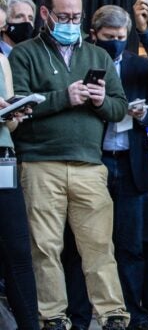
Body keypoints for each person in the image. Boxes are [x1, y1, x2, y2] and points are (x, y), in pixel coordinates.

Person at [9, 0, 130, 330]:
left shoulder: (98, 56)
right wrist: (66, 97)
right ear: (45, 14)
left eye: (76, 16)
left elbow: (119, 107)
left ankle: (113, 316)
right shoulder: (25, 54)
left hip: (90, 166)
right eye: (63, 16)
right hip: (39, 162)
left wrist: (99, 100)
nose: (70, 22)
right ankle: (53, 317)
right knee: (44, 248)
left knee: (99, 246)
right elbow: (17, 104)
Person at [63, 5, 148, 330]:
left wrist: (143, 115)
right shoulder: (81, 61)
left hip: (130, 162)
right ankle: (79, 317)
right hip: (93, 160)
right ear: (94, 35)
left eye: (122, 37)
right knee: (82, 245)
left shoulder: (139, 65)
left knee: (130, 247)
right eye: (110, 37)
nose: (117, 42)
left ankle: (133, 315)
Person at [0, 51, 38, 329]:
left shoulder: (1, 60)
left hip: (4, 156)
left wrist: (14, 113)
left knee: (19, 249)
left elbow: (9, 126)